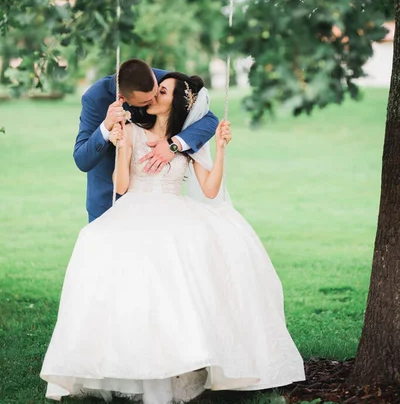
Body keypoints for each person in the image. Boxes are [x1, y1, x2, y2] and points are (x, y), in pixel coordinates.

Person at [41, 71, 305, 403]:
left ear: (173, 103)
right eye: (154, 92)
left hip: (173, 211)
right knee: (104, 250)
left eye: (161, 93)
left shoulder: (185, 141)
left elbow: (209, 190)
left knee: (178, 271)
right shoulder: (131, 130)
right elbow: (121, 187)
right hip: (134, 207)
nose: (153, 98)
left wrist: (220, 149)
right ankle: (132, 367)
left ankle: (181, 359)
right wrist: (120, 143)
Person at [73, 59, 218, 222]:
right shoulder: (95, 98)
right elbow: (82, 160)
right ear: (123, 98)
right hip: (108, 200)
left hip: (162, 211)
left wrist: (174, 144)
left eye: (157, 92)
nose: (154, 100)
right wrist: (106, 125)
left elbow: (209, 119)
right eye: (145, 102)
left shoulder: (164, 81)